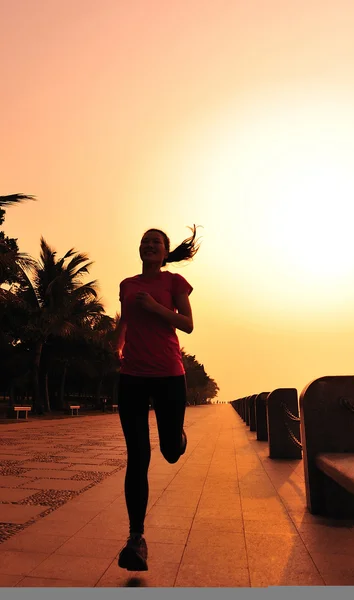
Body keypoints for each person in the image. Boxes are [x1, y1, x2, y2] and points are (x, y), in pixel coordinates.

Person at [113, 225, 200, 571]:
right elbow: (124, 325)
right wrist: (117, 346)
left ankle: (178, 438)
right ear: (140, 250)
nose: (149, 245)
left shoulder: (174, 283)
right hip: (132, 376)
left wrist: (153, 307)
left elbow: (188, 324)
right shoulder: (127, 285)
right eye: (145, 241)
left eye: (156, 242)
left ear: (164, 253)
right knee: (138, 455)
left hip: (168, 375)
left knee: (169, 451)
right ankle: (136, 538)